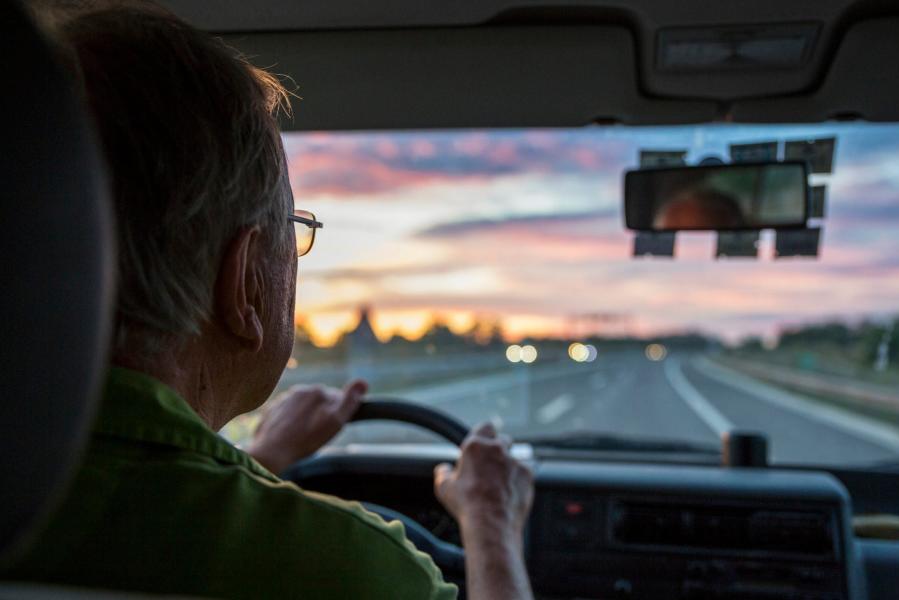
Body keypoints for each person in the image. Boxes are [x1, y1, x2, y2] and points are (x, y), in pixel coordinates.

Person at [3, 4, 534, 599]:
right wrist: (491, 523)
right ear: (244, 283)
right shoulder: (351, 571)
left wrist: (262, 456)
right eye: (293, 227)